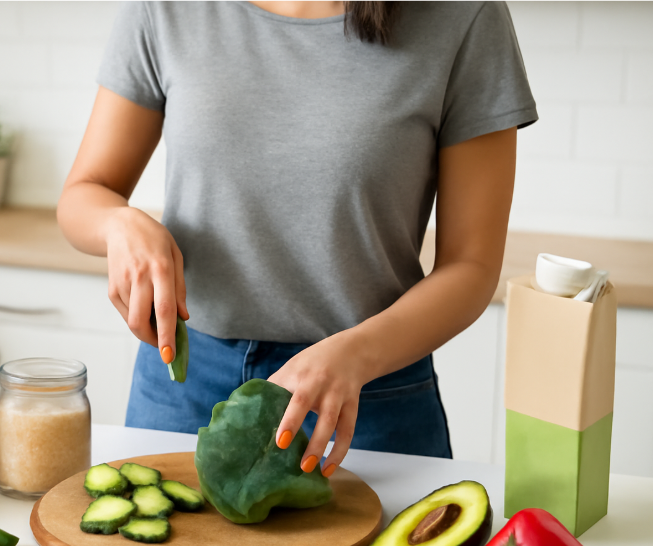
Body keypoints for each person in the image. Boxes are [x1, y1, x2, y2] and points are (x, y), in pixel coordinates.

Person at [57, 1, 537, 477]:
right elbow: (84, 195)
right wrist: (119, 223)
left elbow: (471, 265)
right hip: (184, 385)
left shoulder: (465, 15)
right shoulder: (164, 8)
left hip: (365, 393)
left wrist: (355, 356)